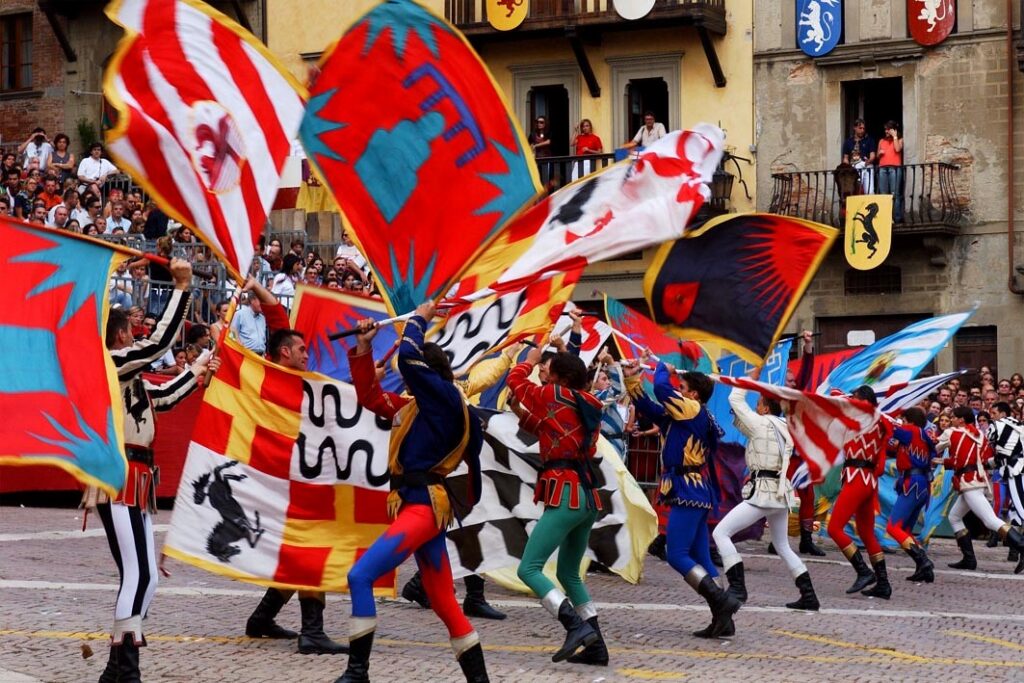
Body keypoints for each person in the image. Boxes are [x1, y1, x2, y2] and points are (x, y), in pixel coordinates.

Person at [334, 304, 489, 683]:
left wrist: (418, 318)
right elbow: (372, 399)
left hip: (423, 506)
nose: (406, 386)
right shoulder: (423, 407)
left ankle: (358, 673)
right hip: (421, 506)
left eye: (414, 380)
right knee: (444, 602)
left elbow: (406, 356)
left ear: (429, 377)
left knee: (360, 576)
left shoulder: (448, 403)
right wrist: (363, 347)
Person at [88, 258, 217, 682]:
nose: (136, 333)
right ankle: (124, 670)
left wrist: (198, 369)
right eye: (131, 329)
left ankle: (118, 667)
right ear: (121, 334)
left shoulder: (128, 373)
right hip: (120, 476)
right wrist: (181, 289)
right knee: (139, 573)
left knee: (146, 580)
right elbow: (157, 348)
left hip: (138, 480)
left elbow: (162, 398)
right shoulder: (112, 360)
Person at [623, 359, 739, 639]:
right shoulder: (684, 415)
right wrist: (632, 379)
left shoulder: (692, 408)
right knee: (700, 556)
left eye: (683, 387)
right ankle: (722, 617)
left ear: (693, 394)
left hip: (687, 489)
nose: (678, 389)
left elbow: (662, 389)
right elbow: (650, 407)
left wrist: (663, 367)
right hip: (694, 489)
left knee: (676, 555)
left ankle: (722, 602)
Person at [506, 346, 607, 666]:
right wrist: (521, 413)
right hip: (587, 496)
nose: (543, 374)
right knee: (568, 573)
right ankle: (596, 646)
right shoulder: (589, 404)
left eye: (549, 371)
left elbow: (515, 381)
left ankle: (574, 626)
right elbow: (553, 431)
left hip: (566, 492)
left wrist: (528, 361)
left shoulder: (554, 394)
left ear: (562, 379)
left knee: (529, 568)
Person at [713, 367, 821, 612]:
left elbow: (735, 399)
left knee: (721, 534)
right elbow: (744, 423)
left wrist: (748, 378)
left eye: (759, 403)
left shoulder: (761, 424)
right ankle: (809, 594)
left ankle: (738, 587)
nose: (757, 407)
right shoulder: (782, 427)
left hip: (763, 491)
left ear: (764, 407)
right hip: (780, 492)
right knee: (782, 545)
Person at [940, 406, 1024, 574]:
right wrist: (945, 462)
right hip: (977, 480)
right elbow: (986, 461)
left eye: (954, 418)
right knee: (954, 517)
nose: (951, 421)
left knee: (990, 521)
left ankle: (1022, 546)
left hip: (968, 482)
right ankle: (969, 559)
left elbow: (934, 446)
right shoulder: (980, 436)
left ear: (961, 420)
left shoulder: (953, 432)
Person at [827, 386, 893, 599]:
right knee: (866, 532)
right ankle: (883, 583)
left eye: (855, 398)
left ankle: (863, 571)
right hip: (869, 480)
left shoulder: (863, 418)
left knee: (834, 528)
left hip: (856, 477)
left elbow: (835, 396)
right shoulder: (879, 421)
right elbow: (881, 466)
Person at [884, 407, 937, 583]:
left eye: (904, 420)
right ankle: (923, 568)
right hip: (922, 484)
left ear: (910, 421)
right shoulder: (924, 434)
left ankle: (923, 561)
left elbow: (890, 427)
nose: (902, 423)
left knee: (893, 527)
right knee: (905, 530)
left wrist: (879, 413)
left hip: (912, 483)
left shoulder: (911, 430)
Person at [990, 401, 1024, 565]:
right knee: (1014, 511)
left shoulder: (998, 425)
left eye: (994, 413)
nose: (992, 416)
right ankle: (1015, 548)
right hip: (1009, 469)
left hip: (1014, 470)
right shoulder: (1019, 425)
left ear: (1003, 413)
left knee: (1019, 509)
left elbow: (986, 445)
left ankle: (1018, 548)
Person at [877, 120, 904, 222]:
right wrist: (879, 153)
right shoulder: (881, 141)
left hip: (895, 168)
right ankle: (886, 217)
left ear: (894, 130)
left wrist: (895, 137)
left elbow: (897, 149)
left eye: (888, 129)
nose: (886, 131)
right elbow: (876, 155)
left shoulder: (900, 140)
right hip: (882, 168)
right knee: (884, 193)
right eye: (885, 129)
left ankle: (896, 217)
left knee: (895, 193)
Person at [842, 118, 876, 193]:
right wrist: (847, 168)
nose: (862, 130)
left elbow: (873, 155)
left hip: (867, 167)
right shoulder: (848, 142)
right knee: (856, 190)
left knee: (870, 192)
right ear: (855, 128)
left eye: (863, 128)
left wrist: (869, 160)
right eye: (860, 128)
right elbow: (845, 158)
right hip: (854, 168)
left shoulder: (869, 140)